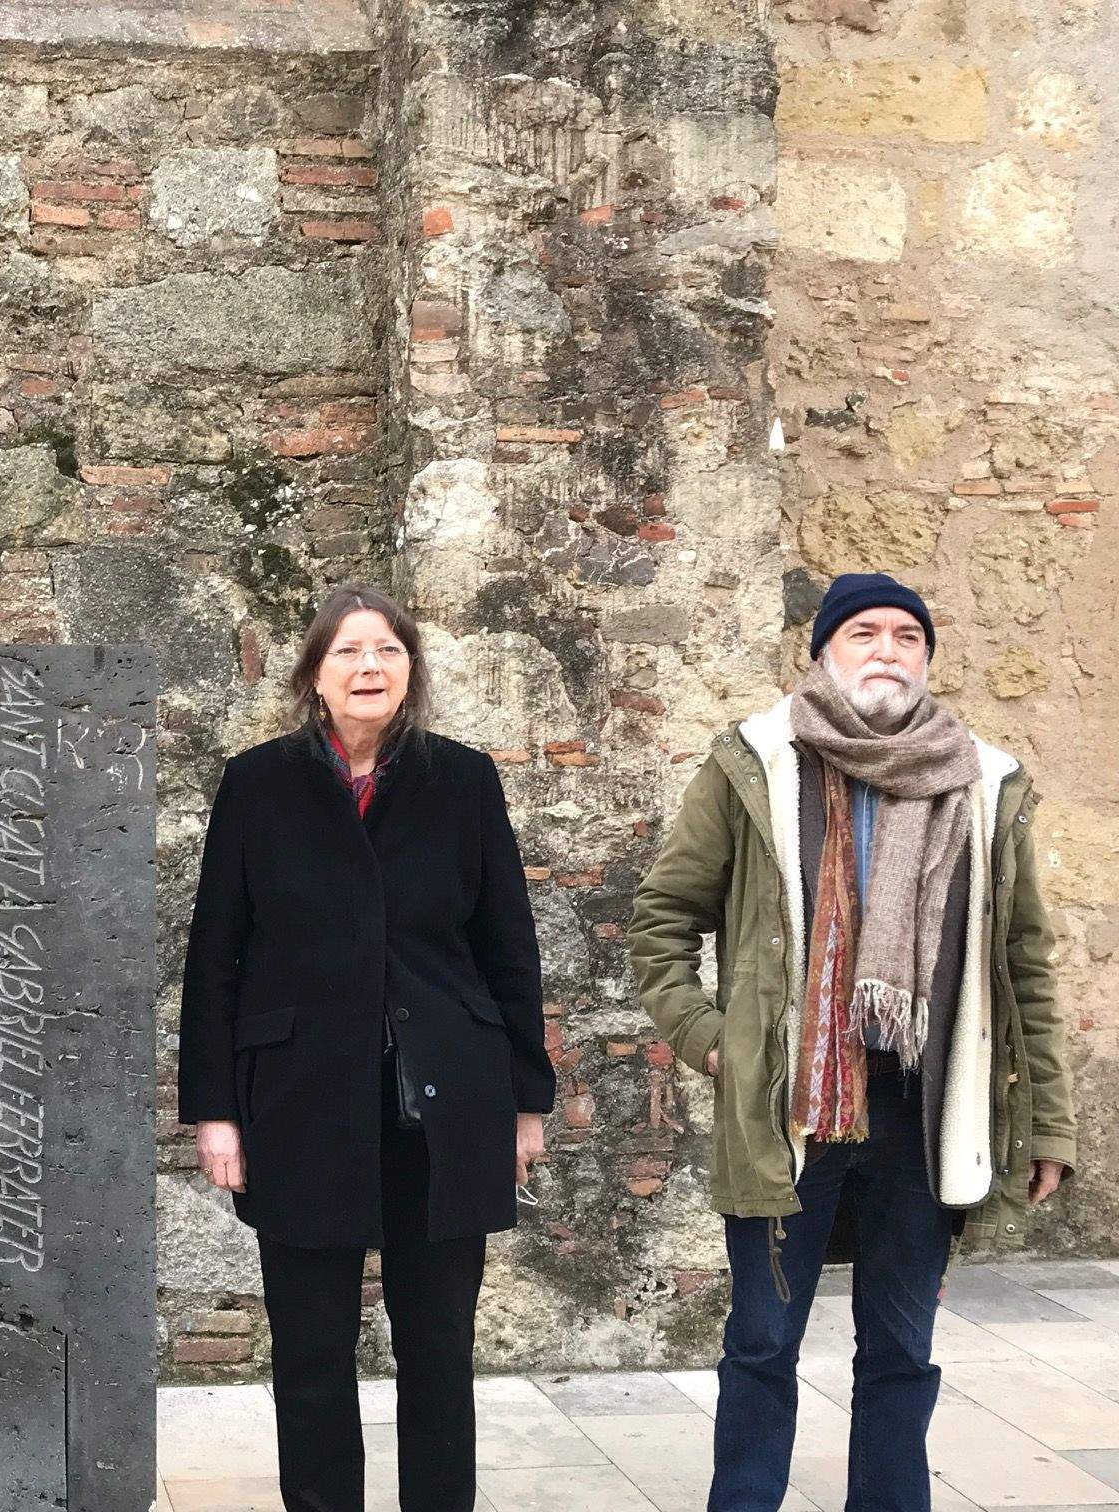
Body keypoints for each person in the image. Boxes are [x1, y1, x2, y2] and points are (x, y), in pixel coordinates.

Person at [630, 572, 1078, 1512]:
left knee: (902, 1352)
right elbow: (662, 922)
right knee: (761, 1343)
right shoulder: (757, 761)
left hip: (926, 1107)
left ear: (926, 660)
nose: (886, 650)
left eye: (907, 636)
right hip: (793, 1107)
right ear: (824, 653)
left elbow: (1023, 964)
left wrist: (1052, 1124)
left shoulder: (984, 782)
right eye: (863, 633)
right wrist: (718, 1045)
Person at [177, 583, 554, 1512]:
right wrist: (216, 1111)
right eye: (347, 652)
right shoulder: (258, 784)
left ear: (411, 670)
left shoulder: (462, 779)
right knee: (309, 1353)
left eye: (387, 650)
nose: (370, 667)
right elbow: (215, 956)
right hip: (300, 1102)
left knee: (438, 1351)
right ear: (314, 676)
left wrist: (525, 1098)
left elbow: (509, 945)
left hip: (448, 1102)